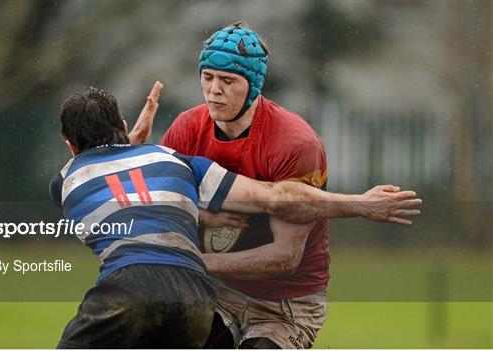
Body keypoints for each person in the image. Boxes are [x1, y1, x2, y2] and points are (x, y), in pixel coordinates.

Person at [50, 87, 420, 348]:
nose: (214, 90)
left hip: (128, 287)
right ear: (124, 122)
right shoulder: (174, 161)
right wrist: (359, 204)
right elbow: (277, 197)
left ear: (70, 146)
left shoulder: (65, 179)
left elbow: (119, 191)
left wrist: (128, 147)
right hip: (193, 295)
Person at [157, 21, 408, 348]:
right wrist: (204, 218)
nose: (213, 90)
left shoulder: (294, 143)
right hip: (215, 292)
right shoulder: (186, 129)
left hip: (285, 306)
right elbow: (164, 208)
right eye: (207, 77)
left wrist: (195, 261)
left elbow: (284, 256)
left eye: (228, 80)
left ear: (254, 85)